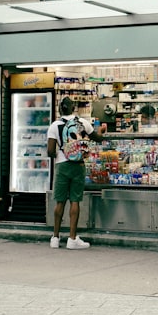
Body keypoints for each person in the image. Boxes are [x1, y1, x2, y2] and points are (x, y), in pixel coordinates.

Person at [47, 97, 106, 250]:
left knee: (60, 201)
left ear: (60, 109)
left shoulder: (55, 125)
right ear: (73, 108)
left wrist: (62, 153)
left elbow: (50, 151)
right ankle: (72, 238)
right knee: (75, 201)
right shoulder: (83, 123)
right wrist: (101, 131)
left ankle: (55, 237)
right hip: (78, 165)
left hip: (61, 165)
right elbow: (98, 138)